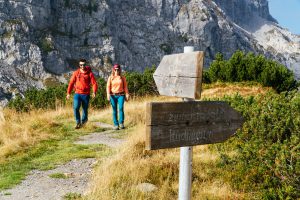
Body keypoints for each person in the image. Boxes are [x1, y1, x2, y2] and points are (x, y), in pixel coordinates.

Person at [66, 58, 98, 129]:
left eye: (83, 65)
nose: (82, 66)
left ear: (85, 65)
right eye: (81, 65)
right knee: (76, 107)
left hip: (86, 94)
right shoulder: (76, 73)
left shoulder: (89, 73)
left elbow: (94, 83)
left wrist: (94, 92)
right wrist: (68, 93)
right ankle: (78, 122)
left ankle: (84, 123)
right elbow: (71, 83)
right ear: (79, 65)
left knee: (85, 109)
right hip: (77, 93)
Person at [106, 64, 129, 130]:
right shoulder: (110, 77)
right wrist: (108, 94)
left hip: (121, 95)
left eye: (118, 69)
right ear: (113, 70)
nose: (116, 71)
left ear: (119, 69)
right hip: (112, 95)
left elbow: (125, 87)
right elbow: (108, 86)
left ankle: (121, 123)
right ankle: (116, 124)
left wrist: (127, 94)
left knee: (121, 108)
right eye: (115, 69)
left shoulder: (122, 77)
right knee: (114, 110)